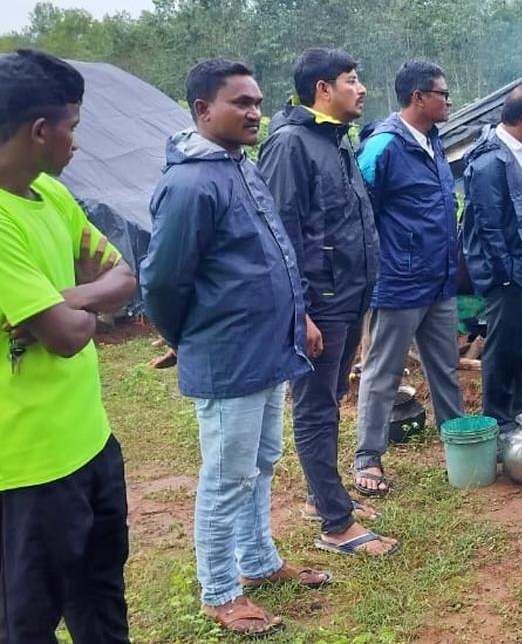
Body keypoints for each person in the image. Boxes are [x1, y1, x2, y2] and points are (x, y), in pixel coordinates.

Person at [141, 59, 330, 637]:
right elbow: (163, 282)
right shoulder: (190, 184)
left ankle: (260, 561)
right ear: (202, 110)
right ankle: (219, 590)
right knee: (227, 476)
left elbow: (270, 252)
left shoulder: (239, 166)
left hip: (268, 349)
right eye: (240, 103)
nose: (255, 112)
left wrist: (297, 316)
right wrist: (188, 340)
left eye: (257, 102)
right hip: (229, 357)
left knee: (261, 463)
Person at [0, 49, 137, 643]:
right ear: (39, 131)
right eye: (72, 128)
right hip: (28, 467)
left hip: (91, 444)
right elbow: (66, 337)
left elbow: (125, 278)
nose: (76, 143)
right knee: (28, 621)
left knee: (101, 596)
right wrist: (83, 302)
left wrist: (65, 297)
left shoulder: (50, 195)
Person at [257, 48, 396, 556]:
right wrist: (303, 314)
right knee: (316, 409)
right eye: (351, 81)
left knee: (331, 400)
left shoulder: (335, 142)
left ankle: (324, 497)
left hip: (350, 296)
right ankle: (336, 526)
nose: (360, 89)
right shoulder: (291, 145)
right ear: (323, 89)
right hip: (322, 303)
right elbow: (280, 236)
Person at [354, 60, 464, 495]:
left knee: (446, 368)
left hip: (439, 281)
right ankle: (368, 456)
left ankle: (459, 439)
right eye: (443, 93)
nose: (449, 101)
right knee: (383, 371)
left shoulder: (434, 142)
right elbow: (360, 213)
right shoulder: (382, 145)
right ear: (418, 97)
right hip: (398, 282)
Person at [462, 85, 522, 434]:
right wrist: (508, 273)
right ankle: (498, 421)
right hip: (509, 275)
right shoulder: (490, 161)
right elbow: (489, 226)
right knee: (502, 348)